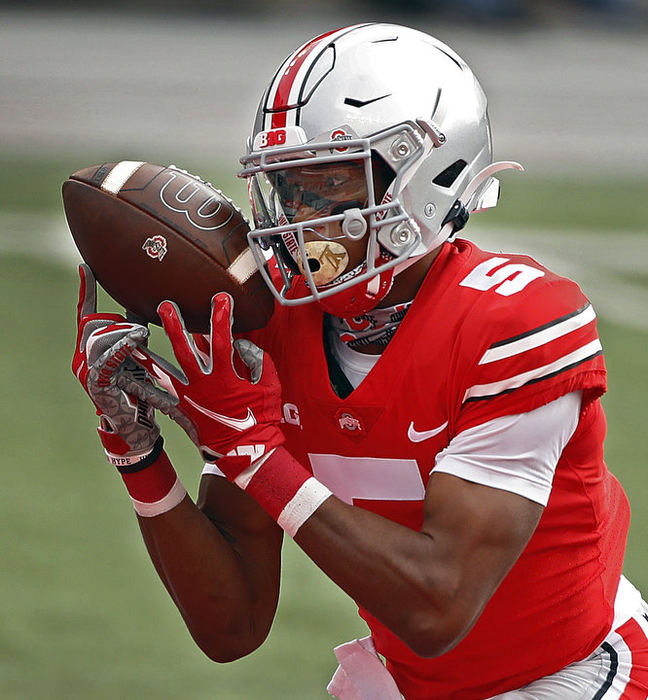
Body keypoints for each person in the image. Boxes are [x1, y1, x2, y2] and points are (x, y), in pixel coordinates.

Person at [72, 23, 648, 699]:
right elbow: (231, 626)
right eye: (287, 189)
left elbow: (439, 608)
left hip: (572, 676)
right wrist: (137, 453)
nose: (296, 218)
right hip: (408, 682)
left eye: (327, 186)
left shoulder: (516, 322)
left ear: (426, 177)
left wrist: (256, 455)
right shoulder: (275, 331)